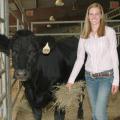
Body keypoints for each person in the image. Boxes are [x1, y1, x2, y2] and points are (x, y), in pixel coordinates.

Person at [66, 2, 119, 120]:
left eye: (97, 14)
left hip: (106, 77)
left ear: (101, 15)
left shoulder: (109, 32)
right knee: (95, 113)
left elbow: (114, 55)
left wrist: (116, 80)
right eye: (91, 14)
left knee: (99, 114)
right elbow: (80, 59)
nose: (94, 17)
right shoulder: (84, 35)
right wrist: (71, 80)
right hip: (90, 78)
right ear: (88, 16)